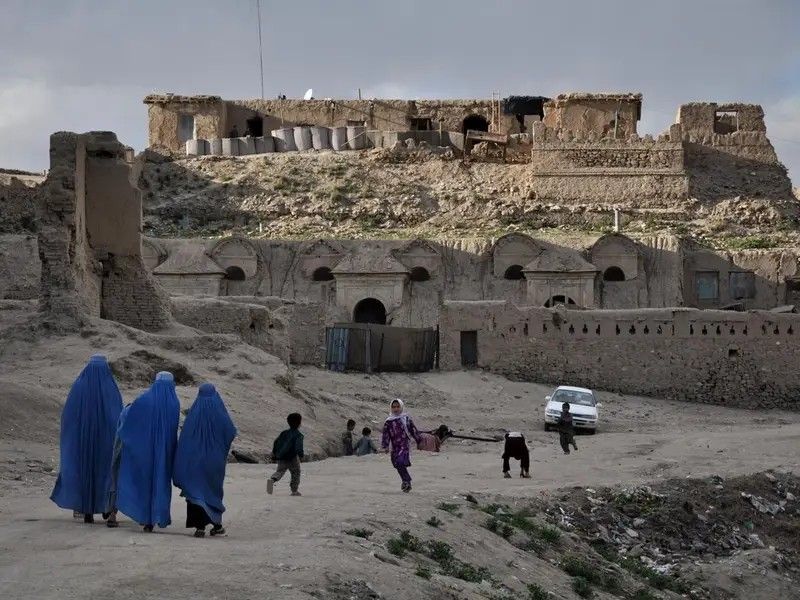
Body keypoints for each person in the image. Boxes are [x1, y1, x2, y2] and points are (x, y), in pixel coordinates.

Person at [50, 354, 123, 524]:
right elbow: (118, 417)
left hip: (82, 442)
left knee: (84, 471)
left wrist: (73, 438)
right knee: (106, 473)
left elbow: (67, 417)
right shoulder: (110, 388)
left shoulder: (79, 386)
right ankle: (106, 507)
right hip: (106, 443)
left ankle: (87, 510)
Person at [116, 371, 180, 532]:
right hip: (164, 453)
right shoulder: (174, 402)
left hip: (144, 451)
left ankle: (145, 518)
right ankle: (157, 516)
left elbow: (129, 417)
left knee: (144, 483)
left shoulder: (145, 399)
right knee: (160, 483)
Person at [173, 383, 237, 538]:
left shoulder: (194, 415)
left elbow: (184, 439)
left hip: (194, 460)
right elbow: (230, 432)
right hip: (214, 461)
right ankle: (217, 525)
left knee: (196, 491)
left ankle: (200, 527)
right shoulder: (220, 413)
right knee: (212, 491)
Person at [381, 399, 422, 493]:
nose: (396, 409)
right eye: (393, 407)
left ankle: (406, 481)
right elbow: (385, 434)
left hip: (404, 445)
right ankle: (406, 481)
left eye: (397, 406)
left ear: (401, 407)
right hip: (395, 446)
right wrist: (386, 446)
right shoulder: (389, 421)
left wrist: (419, 440)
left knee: (400, 462)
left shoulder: (406, 418)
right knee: (396, 463)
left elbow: (413, 430)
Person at [104, 402, 132, 528]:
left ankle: (111, 512)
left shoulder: (125, 412)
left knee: (115, 482)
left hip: (119, 452)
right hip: (133, 454)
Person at [267, 413, 303, 497]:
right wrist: (301, 455)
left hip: (281, 457)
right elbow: (298, 447)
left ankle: (272, 480)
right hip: (292, 458)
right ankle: (294, 491)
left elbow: (276, 442)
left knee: (280, 471)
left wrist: (274, 453)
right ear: (299, 423)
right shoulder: (298, 435)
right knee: (295, 473)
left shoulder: (283, 433)